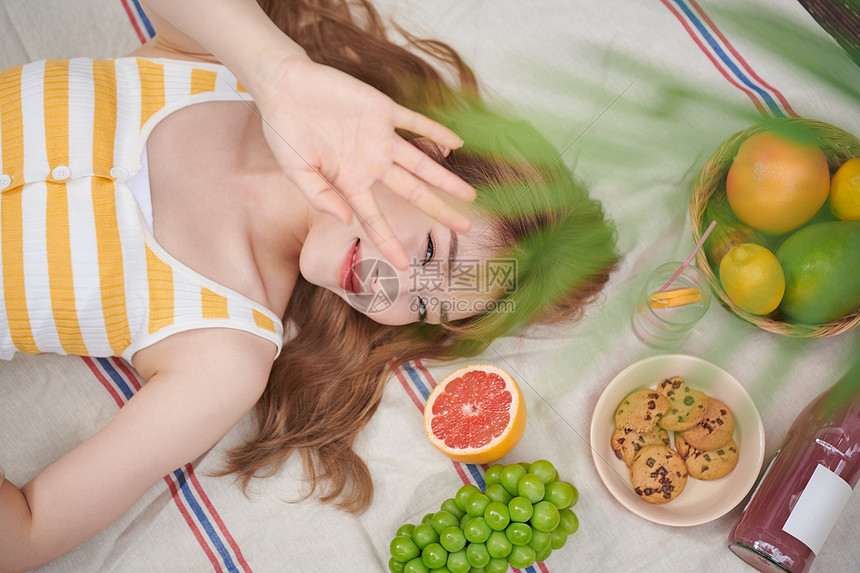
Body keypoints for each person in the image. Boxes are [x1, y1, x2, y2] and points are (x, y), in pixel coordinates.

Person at [0, 0, 619, 569]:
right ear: (421, 155)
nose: (393, 288)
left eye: (426, 303)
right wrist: (276, 72)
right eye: (431, 250)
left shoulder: (223, 354)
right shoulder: (218, 69)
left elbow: (25, 535)